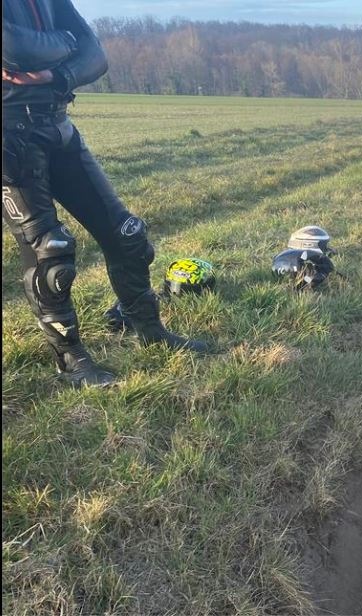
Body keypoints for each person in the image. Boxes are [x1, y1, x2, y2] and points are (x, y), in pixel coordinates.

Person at [2, 0, 211, 388]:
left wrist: (56, 73)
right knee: (51, 252)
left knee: (127, 235)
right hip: (9, 132)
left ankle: (148, 329)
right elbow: (14, 48)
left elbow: (96, 55)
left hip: (57, 124)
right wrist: (68, 44)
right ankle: (72, 363)